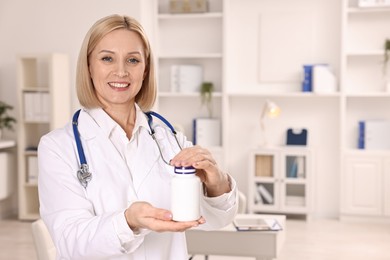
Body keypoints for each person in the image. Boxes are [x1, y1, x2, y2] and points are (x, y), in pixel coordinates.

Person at [38, 14, 238, 260]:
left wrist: (216, 183)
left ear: (145, 70)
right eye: (107, 58)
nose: (121, 71)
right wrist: (128, 222)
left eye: (133, 60)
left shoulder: (170, 139)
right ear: (89, 66)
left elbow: (216, 220)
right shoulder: (58, 147)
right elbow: (70, 241)